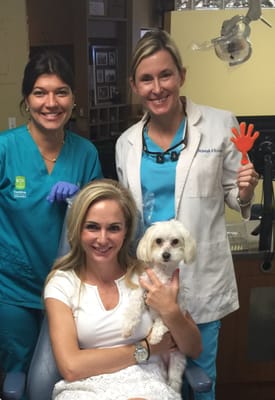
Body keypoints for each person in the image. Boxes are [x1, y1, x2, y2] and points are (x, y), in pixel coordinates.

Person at [115, 29, 259, 399]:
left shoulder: (218, 124)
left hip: (200, 276)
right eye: (146, 79)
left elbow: (232, 194)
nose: (157, 87)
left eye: (165, 75)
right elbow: (130, 216)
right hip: (148, 277)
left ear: (182, 75)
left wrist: (244, 190)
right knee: (152, 378)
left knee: (199, 378)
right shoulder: (126, 143)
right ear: (134, 84)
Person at [0, 50, 103, 374]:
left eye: (61, 92)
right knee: (20, 372)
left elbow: (98, 220)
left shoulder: (85, 153)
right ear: (27, 99)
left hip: (70, 287)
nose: (50, 103)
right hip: (13, 289)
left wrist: (80, 199)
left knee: (66, 373)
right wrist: (5, 243)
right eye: (40, 92)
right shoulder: (2, 149)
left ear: (73, 98)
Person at [44, 179, 202, 400]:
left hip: (147, 384)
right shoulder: (62, 284)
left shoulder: (149, 276)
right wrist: (146, 349)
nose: (102, 238)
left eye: (114, 228)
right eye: (92, 227)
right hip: (85, 387)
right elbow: (71, 366)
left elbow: (193, 348)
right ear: (77, 230)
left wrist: (171, 312)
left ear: (127, 232)